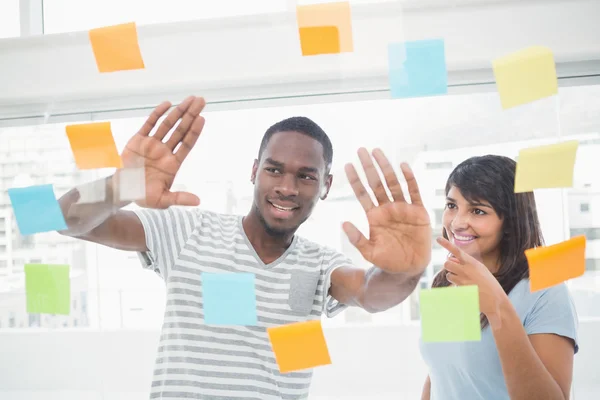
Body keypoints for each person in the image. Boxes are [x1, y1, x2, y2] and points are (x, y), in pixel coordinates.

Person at [58, 95, 432, 399]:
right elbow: (63, 220)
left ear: (326, 186)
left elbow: (370, 292)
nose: (287, 187)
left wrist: (408, 269)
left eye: (305, 176)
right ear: (254, 171)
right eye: (274, 169)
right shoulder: (189, 230)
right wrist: (120, 186)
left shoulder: (320, 264)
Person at [420, 155, 579, 400]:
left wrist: (497, 307)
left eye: (478, 211)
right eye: (452, 206)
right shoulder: (448, 281)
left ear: (510, 221)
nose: (458, 223)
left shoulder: (546, 292)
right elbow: (443, 375)